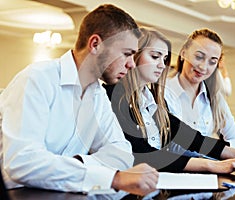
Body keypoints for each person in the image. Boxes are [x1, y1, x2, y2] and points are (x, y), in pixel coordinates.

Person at [0, 4, 158, 196]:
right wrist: (113, 178)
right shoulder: (37, 79)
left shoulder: (98, 95)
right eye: (127, 54)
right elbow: (23, 163)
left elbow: (122, 152)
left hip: (65, 193)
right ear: (95, 44)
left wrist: (77, 164)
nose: (132, 64)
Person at [104, 27, 235, 174]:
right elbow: (145, 154)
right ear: (134, 55)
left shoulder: (149, 99)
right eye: (155, 56)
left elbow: (191, 138)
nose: (162, 65)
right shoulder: (113, 96)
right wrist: (213, 165)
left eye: (164, 59)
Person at [165, 28, 235, 150]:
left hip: (208, 166)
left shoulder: (215, 97)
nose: (203, 67)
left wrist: (222, 153)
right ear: (183, 53)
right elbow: (171, 146)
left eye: (212, 62)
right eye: (199, 57)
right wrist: (218, 152)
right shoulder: (162, 92)